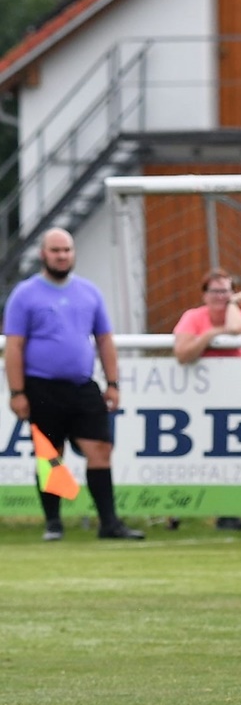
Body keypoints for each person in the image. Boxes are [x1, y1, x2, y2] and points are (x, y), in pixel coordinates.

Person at [3, 228, 144, 541]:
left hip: (82, 386)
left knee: (101, 449)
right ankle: (53, 523)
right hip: (41, 386)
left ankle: (109, 524)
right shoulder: (25, 294)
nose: (62, 255)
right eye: (55, 250)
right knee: (51, 455)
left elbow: (104, 339)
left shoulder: (89, 292)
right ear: (43, 254)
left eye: (66, 250)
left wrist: (112, 382)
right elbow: (14, 347)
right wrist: (17, 392)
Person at [172, 269, 241, 531]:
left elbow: (235, 329)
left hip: (234, 398)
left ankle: (228, 512)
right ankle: (175, 510)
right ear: (204, 295)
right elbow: (183, 354)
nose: (220, 296)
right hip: (197, 399)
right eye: (215, 291)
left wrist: (231, 307)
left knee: (230, 455)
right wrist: (210, 336)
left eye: (226, 291)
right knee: (189, 455)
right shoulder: (192, 317)